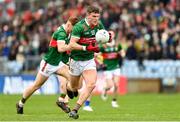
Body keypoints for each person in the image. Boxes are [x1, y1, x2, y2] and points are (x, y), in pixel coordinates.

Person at [16, 16, 79, 114]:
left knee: (72, 78)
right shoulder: (61, 33)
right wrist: (72, 46)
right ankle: (20, 103)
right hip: (48, 64)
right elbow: (60, 49)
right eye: (73, 29)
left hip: (59, 63)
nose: (74, 31)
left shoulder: (68, 32)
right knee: (36, 86)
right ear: (69, 25)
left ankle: (61, 100)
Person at [66, 5, 111, 119]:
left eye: (98, 16)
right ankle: (69, 87)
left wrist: (108, 38)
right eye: (94, 16)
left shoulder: (99, 25)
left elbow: (104, 36)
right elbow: (71, 45)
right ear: (88, 15)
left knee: (91, 84)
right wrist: (86, 48)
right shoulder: (79, 27)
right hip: (75, 60)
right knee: (75, 86)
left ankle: (75, 110)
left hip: (88, 60)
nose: (96, 19)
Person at [100, 31, 125, 108]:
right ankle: (105, 89)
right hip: (107, 68)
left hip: (116, 66)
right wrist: (101, 63)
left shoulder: (117, 45)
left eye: (112, 35)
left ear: (114, 36)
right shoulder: (103, 46)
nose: (110, 36)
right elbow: (97, 56)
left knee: (116, 85)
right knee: (110, 85)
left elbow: (123, 52)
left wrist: (122, 54)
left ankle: (114, 101)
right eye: (109, 35)